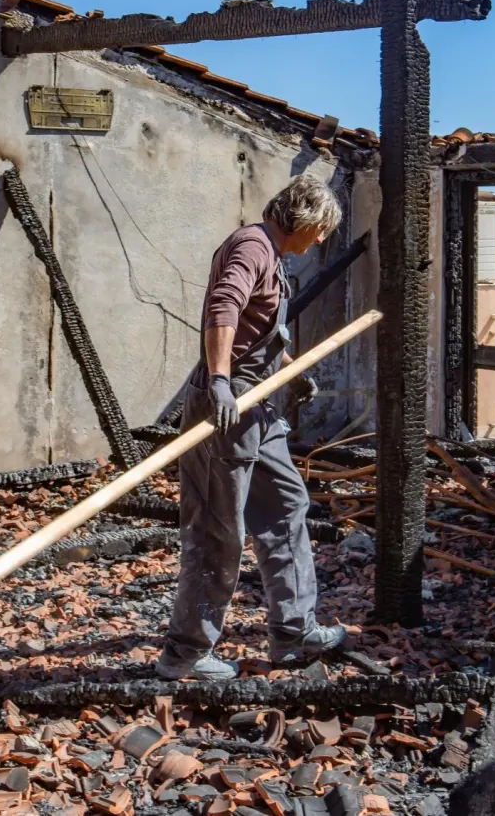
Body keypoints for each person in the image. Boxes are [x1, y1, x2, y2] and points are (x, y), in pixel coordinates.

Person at [156, 174, 348, 681]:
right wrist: (220, 381)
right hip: (228, 409)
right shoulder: (252, 247)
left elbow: (258, 329)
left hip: (260, 406)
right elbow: (224, 308)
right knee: (218, 529)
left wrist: (289, 370)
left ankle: (294, 632)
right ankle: (186, 652)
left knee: (287, 505)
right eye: (322, 229)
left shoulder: (273, 255)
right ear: (306, 220)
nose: (322, 240)